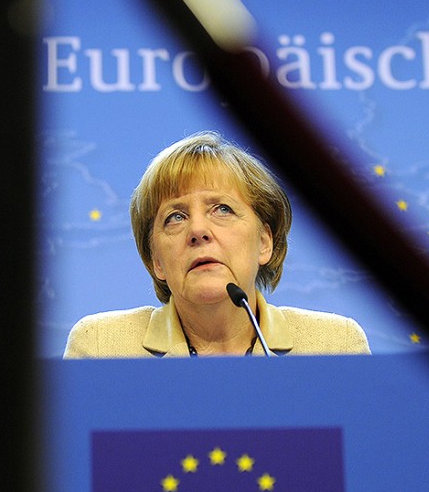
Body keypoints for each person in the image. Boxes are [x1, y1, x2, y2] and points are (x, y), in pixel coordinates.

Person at [63, 131, 370, 358]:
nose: (198, 230)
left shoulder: (333, 347)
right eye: (175, 217)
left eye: (222, 209)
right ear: (156, 260)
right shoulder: (103, 348)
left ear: (264, 242)